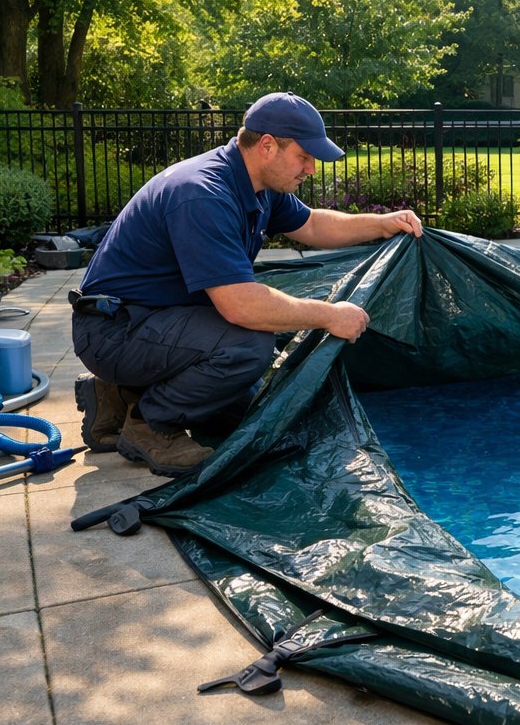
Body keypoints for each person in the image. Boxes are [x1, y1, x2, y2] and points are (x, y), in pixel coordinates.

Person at [71, 92, 422, 477]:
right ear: (268, 145)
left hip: (150, 319)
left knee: (242, 405)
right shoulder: (203, 193)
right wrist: (329, 315)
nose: (312, 169)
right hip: (113, 331)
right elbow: (241, 306)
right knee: (247, 347)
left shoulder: (257, 184)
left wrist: (384, 222)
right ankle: (151, 425)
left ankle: (115, 396)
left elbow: (312, 225)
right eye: (305, 157)